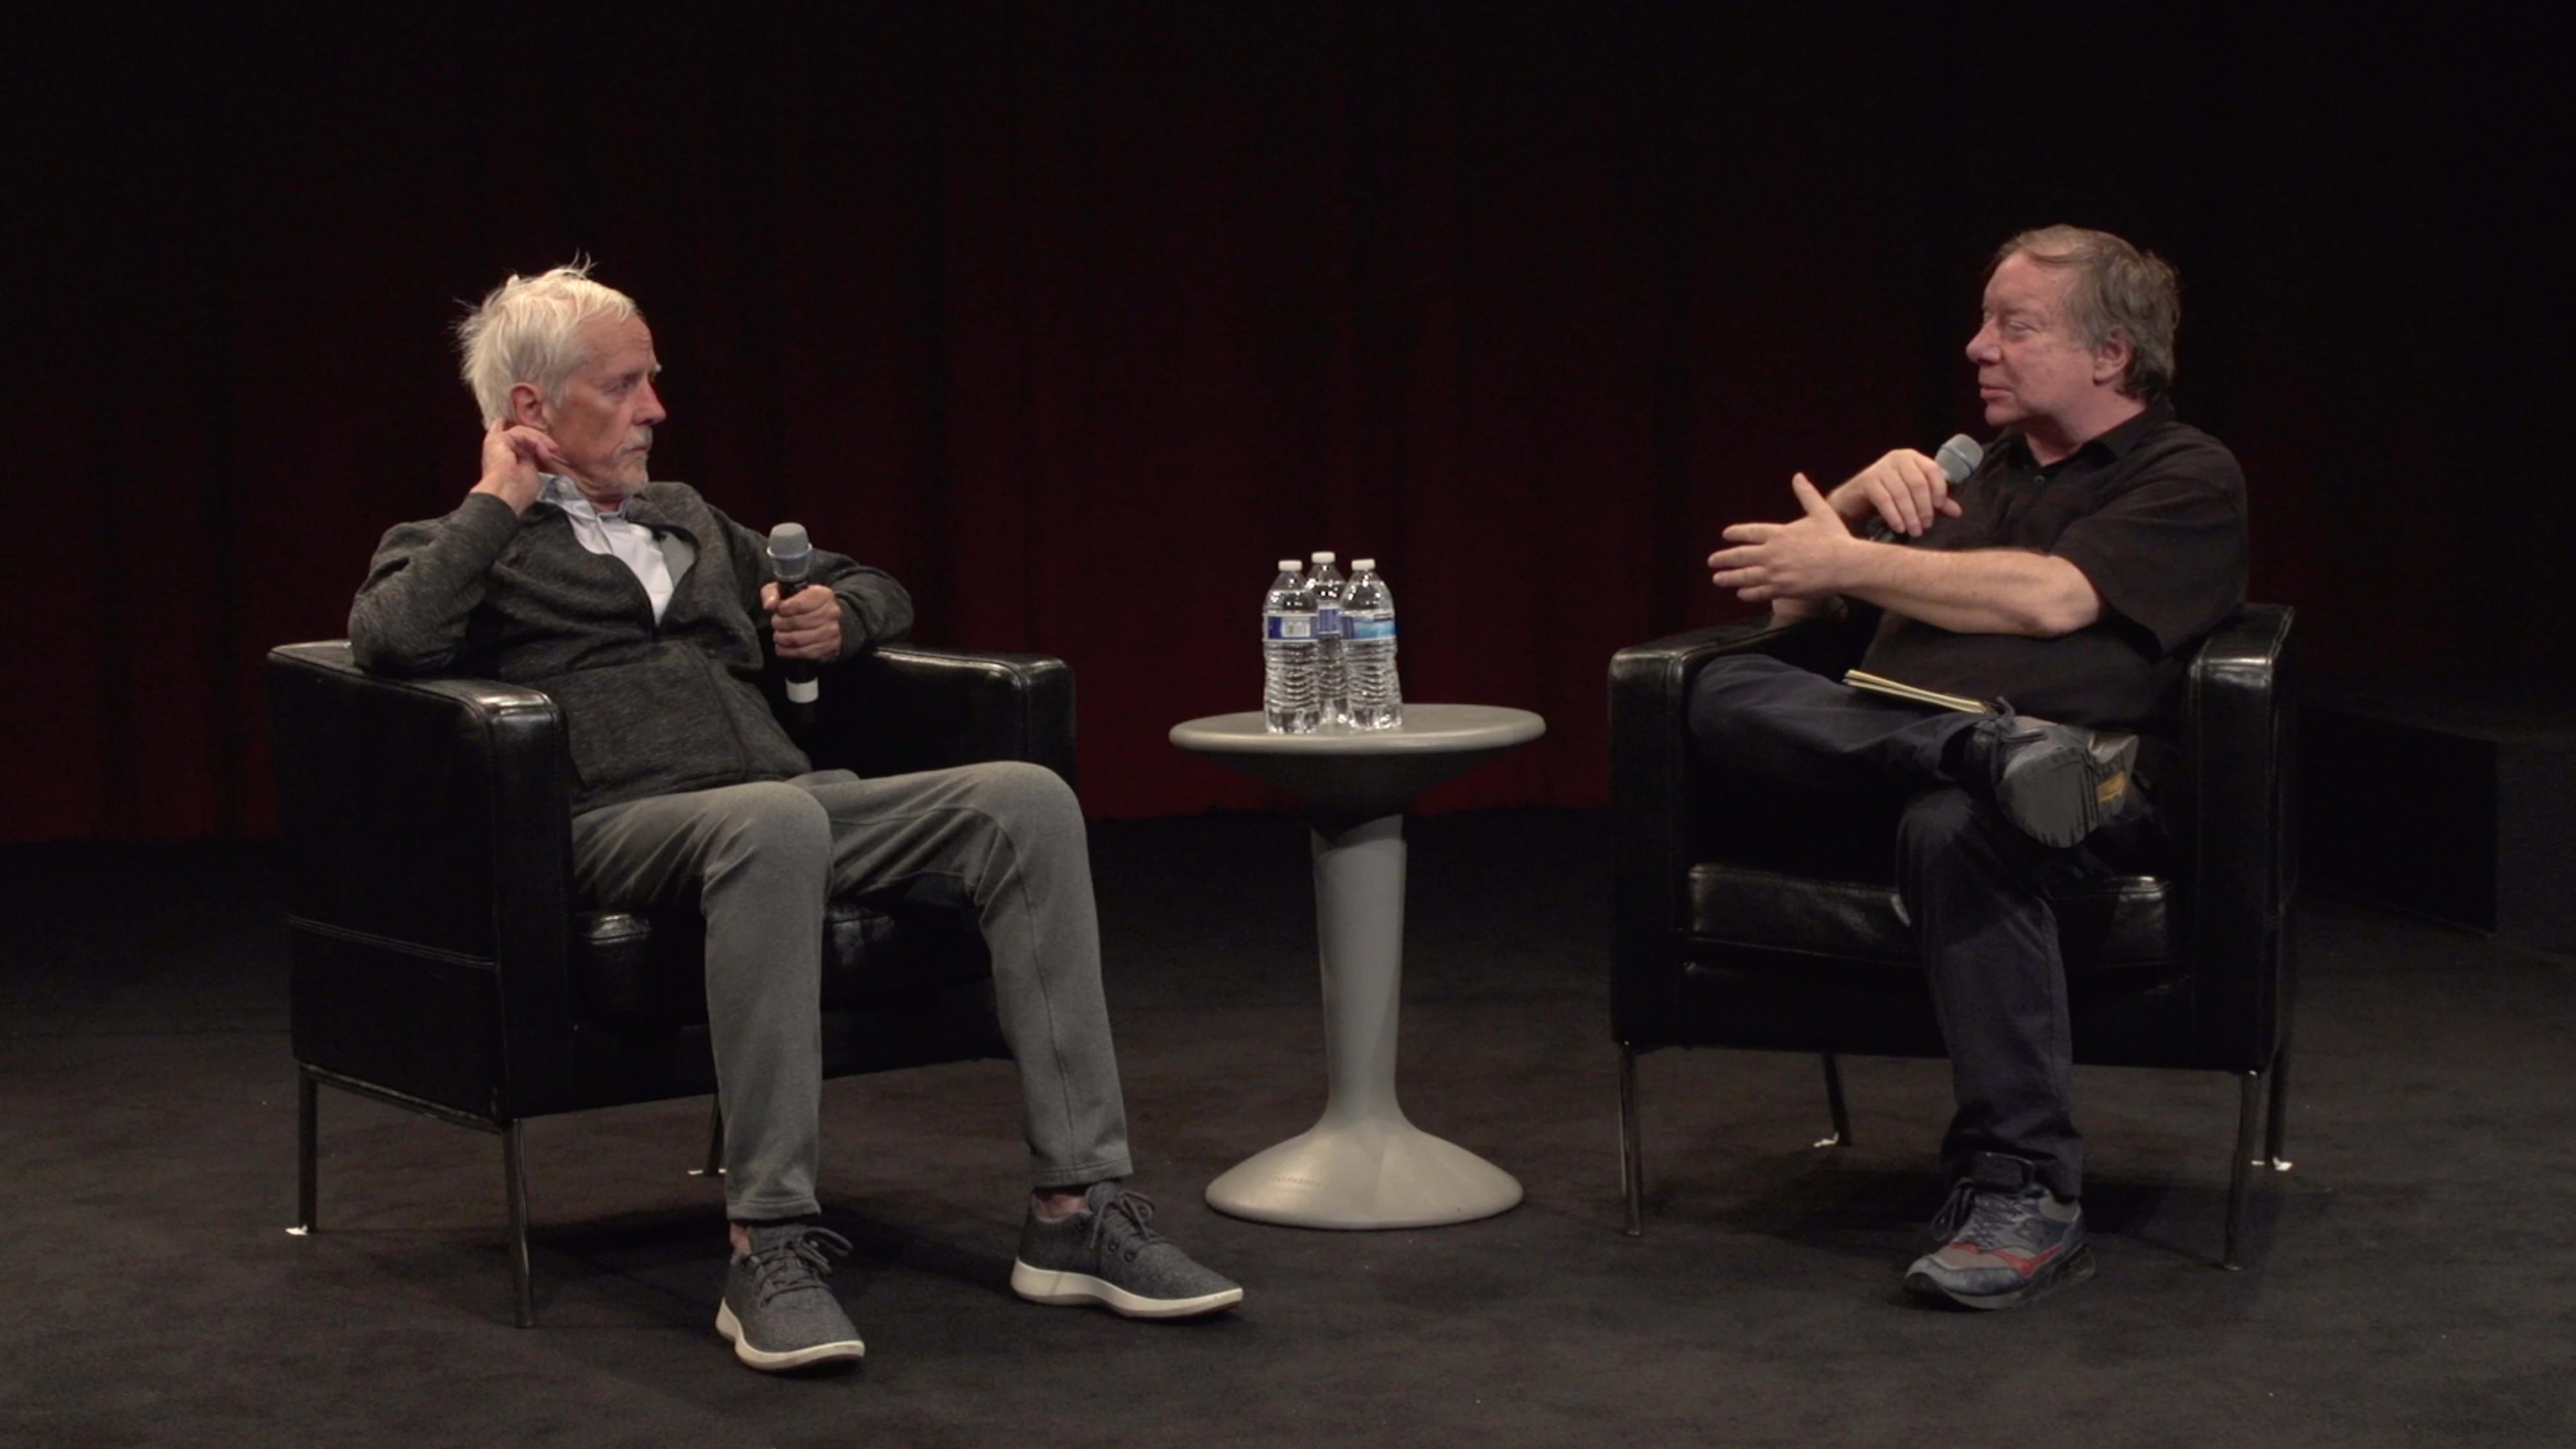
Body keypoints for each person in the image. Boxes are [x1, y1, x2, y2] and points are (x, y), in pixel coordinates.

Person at [349, 263, 1240, 1371]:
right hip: (620, 829)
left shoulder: (690, 522)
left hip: (792, 807)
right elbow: (389, 641)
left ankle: (1078, 1211)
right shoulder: (459, 543)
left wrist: (839, 614)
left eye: (654, 382)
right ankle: (765, 1239)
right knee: (772, 823)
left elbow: (880, 585)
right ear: (533, 408)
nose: (655, 411)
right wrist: (497, 502)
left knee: (1024, 801)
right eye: (627, 386)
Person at [1689, 226, 2247, 1309]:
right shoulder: (1957, 477)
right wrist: (1851, 504)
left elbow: (2053, 600)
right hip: (1913, 753)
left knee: (1962, 823)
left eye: (2014, 325)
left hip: (2089, 791)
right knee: (1720, 690)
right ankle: (1981, 748)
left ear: (2109, 356)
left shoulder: (2186, 475)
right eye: (1986, 320)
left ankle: (2021, 1189)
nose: (1977, 345)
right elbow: (1790, 616)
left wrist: (1859, 563)